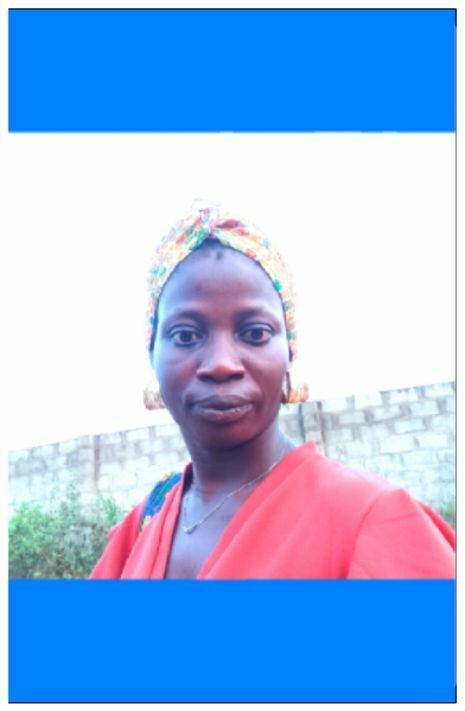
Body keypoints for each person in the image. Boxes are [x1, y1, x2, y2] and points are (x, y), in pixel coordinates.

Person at [91, 204, 455, 579]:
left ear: (289, 351)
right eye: (185, 335)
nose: (221, 364)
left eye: (255, 333)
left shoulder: (377, 523)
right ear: (152, 353)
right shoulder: (140, 528)